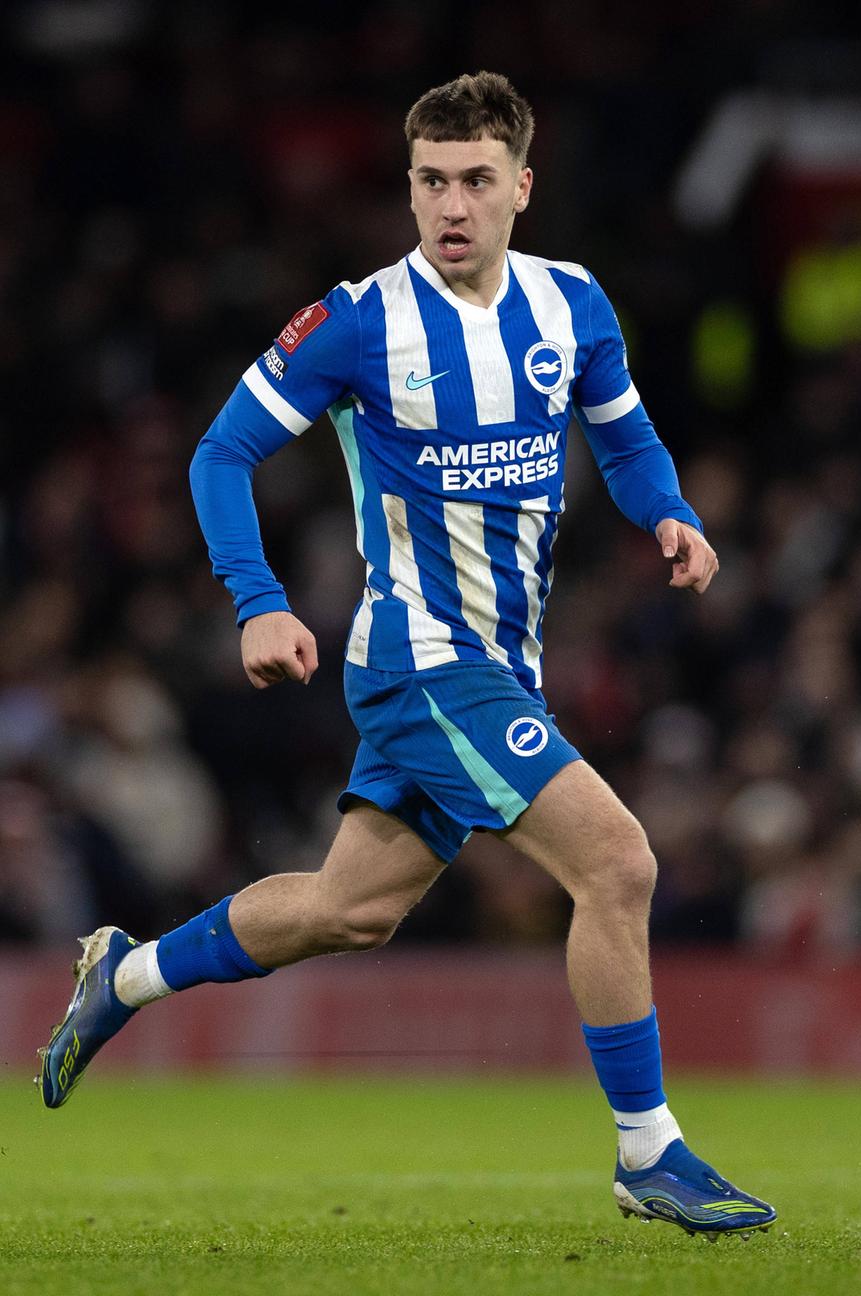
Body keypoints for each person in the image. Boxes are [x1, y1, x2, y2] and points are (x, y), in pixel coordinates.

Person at [38, 71, 775, 1239]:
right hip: (421, 659)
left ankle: (121, 976)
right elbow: (219, 455)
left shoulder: (573, 305)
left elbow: (624, 435)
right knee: (618, 864)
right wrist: (258, 602)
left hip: (499, 662)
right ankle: (650, 1152)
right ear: (411, 186)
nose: (452, 205)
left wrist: (670, 511)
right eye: (431, 181)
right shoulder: (356, 321)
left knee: (349, 910)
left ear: (521, 187)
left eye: (477, 180)